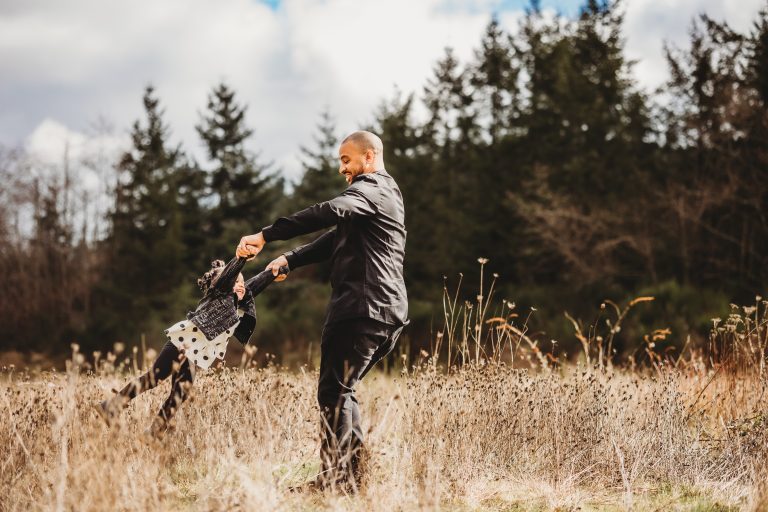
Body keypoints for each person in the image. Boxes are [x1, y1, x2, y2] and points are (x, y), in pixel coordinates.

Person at [236, 130, 408, 490]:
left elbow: (330, 211)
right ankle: (353, 477)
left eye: (347, 160)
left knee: (334, 392)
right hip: (385, 310)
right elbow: (335, 238)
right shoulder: (383, 197)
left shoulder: (372, 187)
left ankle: (338, 479)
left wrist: (267, 235)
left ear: (369, 157)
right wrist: (291, 258)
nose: (343, 169)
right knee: (344, 389)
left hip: (362, 307)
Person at [96, 256, 287, 437]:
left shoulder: (240, 298)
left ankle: (154, 432)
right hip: (182, 344)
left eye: (241, 282)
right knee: (154, 378)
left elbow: (255, 284)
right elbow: (229, 274)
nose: (240, 285)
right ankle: (110, 407)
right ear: (224, 283)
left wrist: (273, 272)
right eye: (236, 282)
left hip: (198, 355)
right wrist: (242, 258)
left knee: (180, 394)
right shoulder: (219, 292)